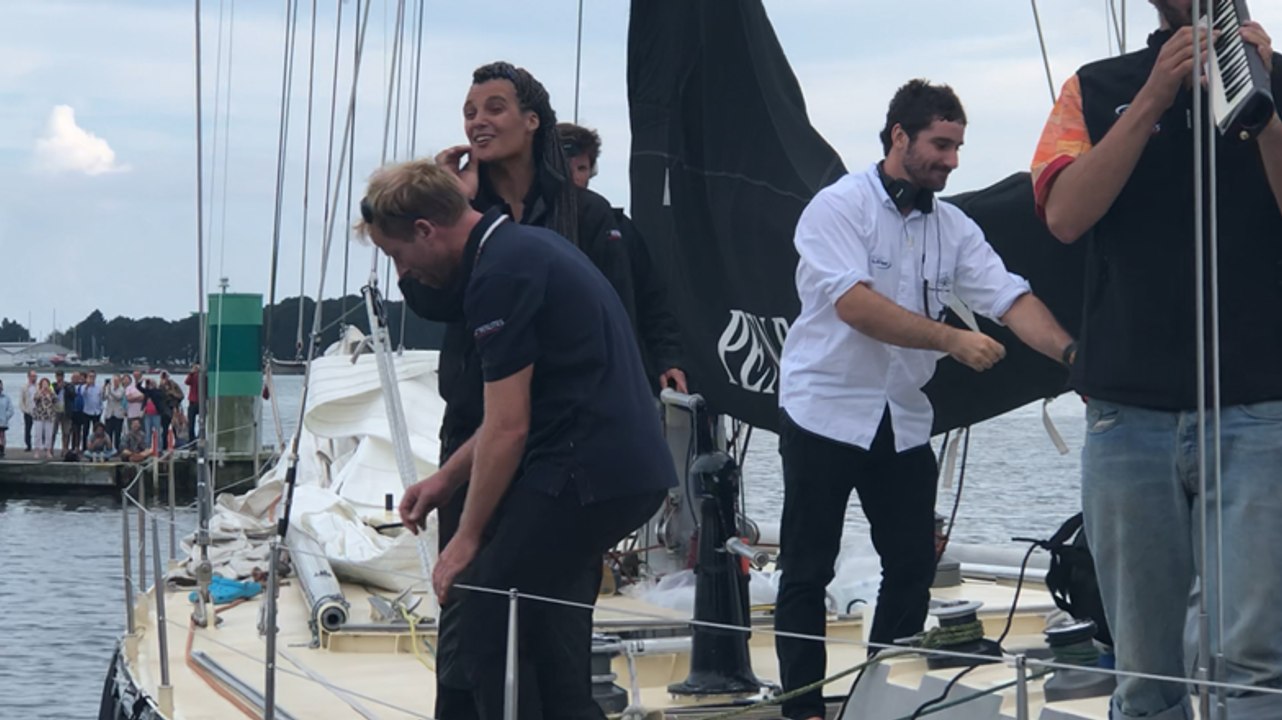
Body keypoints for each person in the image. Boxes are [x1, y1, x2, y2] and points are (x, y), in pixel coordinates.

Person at [775, 79, 1076, 720]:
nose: (953, 160)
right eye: (941, 144)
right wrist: (953, 340)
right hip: (825, 408)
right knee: (808, 569)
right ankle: (802, 708)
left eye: (959, 146)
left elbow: (1009, 296)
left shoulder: (953, 227)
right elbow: (853, 304)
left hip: (901, 416)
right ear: (899, 137)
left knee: (912, 563)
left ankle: (879, 694)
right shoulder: (837, 208)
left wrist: (1075, 357)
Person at [1031, 3, 1282, 717]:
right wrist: (1153, 97)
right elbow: (1064, 215)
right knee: (1147, 671)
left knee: (1259, 659)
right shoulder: (1094, 88)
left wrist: (1261, 107)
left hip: (1260, 409)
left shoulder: (1276, 83)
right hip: (1128, 417)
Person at [359, 158, 675, 719]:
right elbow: (514, 412)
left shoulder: (498, 277)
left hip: (586, 471)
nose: (401, 268)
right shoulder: (523, 249)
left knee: (484, 608)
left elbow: (509, 427)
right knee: (540, 633)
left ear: (426, 231)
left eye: (396, 253)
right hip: (618, 469)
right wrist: (445, 479)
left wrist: (466, 538)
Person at [397, 60, 643, 715]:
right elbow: (432, 301)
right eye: (470, 110)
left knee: (553, 620)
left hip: (559, 441)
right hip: (477, 427)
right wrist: (456, 200)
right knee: (470, 608)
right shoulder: (460, 215)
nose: (478, 119)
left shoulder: (586, 215)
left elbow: (620, 314)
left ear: (533, 121)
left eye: (495, 107)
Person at [557, 121, 688, 395]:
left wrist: (668, 360)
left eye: (581, 168)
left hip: (619, 376)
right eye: (565, 166)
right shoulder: (524, 225)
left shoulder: (620, 229)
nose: (573, 177)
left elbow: (652, 301)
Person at [31, 378, 57, 460]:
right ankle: (37, 451)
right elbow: (35, 399)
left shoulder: (51, 392)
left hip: (49, 416)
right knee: (38, 434)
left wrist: (50, 393)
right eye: (43, 383)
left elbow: (56, 400)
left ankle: (48, 451)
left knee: (48, 434)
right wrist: (41, 391)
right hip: (39, 416)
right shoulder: (38, 392)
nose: (45, 385)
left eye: (46, 383)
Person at [184, 363, 203, 443]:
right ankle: (191, 439)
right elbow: (187, 382)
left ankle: (201, 437)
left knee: (202, 422)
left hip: (201, 402)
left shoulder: (203, 376)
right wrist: (191, 373)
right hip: (192, 402)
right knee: (191, 423)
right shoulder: (193, 376)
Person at [20, 370, 36, 452]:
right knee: (27, 429)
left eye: (35, 376)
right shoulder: (24, 387)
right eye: (32, 376)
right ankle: (28, 445)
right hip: (28, 411)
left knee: (40, 429)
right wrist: (24, 410)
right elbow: (21, 400)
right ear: (29, 377)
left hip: (37, 411)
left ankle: (41, 445)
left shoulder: (38, 386)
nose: (34, 378)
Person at [0, 380, 13, 458]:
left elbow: (11, 409)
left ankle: (2, 449)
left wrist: (6, 416)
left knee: (2, 435)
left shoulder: (6, 397)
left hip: (3, 421)